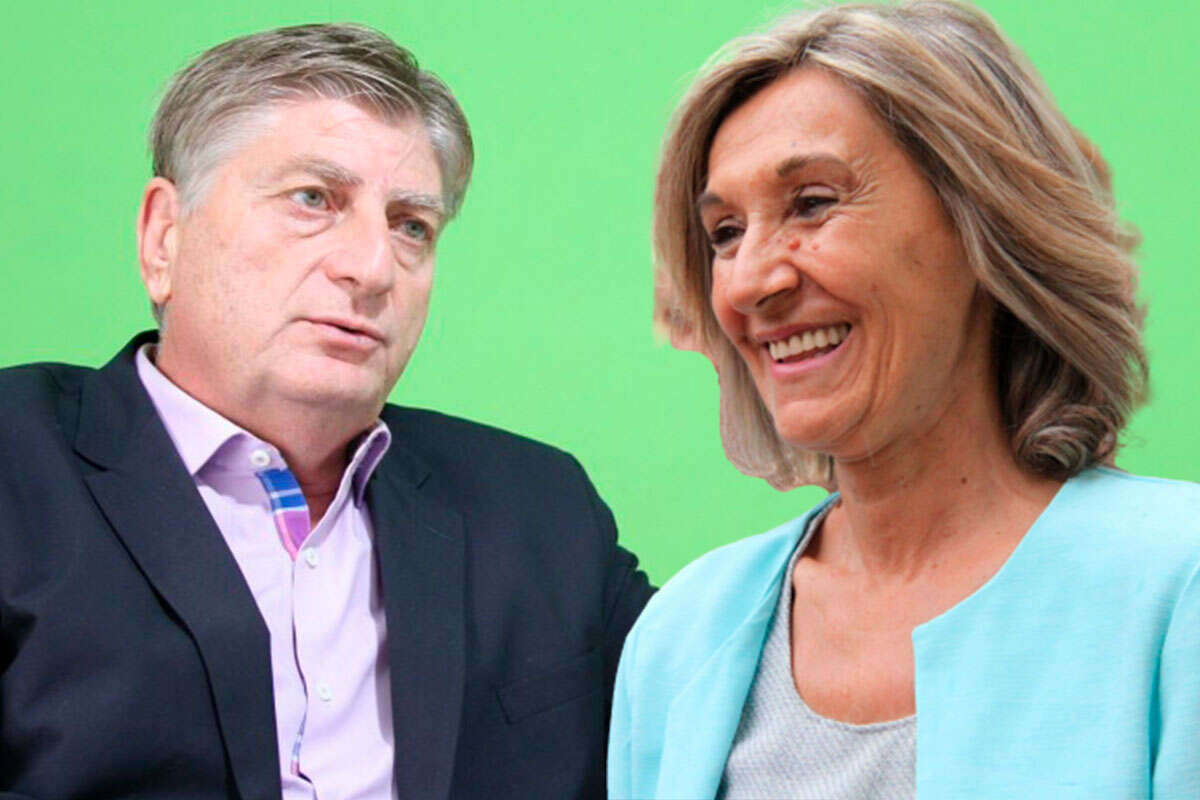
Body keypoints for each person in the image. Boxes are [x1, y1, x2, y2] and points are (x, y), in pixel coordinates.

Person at [0, 23, 652, 799]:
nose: (373, 268)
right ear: (164, 237)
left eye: (411, 226)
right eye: (314, 199)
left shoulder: (542, 510)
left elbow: (732, 724)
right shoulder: (16, 466)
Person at [609, 2, 1200, 798]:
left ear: (983, 219)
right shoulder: (679, 639)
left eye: (812, 203)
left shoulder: (1177, 588)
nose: (749, 282)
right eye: (725, 234)